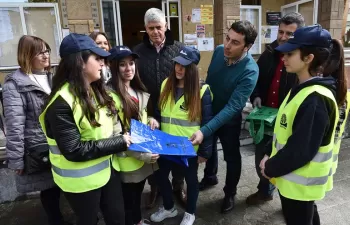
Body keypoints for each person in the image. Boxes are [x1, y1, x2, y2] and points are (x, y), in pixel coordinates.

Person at [39, 33, 131, 225]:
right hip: (80, 183)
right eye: (97, 59)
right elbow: (74, 150)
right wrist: (120, 142)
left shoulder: (95, 91)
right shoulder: (61, 103)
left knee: (118, 218)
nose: (102, 64)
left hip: (107, 172)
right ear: (80, 62)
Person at [260, 24, 347, 225]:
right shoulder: (301, 87)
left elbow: (301, 149)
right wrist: (268, 152)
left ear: (308, 58)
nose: (284, 58)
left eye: (290, 54)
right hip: (293, 180)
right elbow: (284, 131)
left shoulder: (315, 99)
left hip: (300, 185)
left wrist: (270, 167)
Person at [190, 20, 259, 213]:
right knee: (208, 150)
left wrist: (205, 129)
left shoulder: (250, 70)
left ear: (248, 46)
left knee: (231, 156)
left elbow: (233, 107)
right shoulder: (219, 50)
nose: (228, 45)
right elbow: (210, 81)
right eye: (228, 38)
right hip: (209, 111)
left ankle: (230, 193)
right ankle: (210, 177)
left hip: (229, 120)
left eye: (235, 42)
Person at [3, 35, 70, 225]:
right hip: (38, 147)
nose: (45, 55)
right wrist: (16, 160)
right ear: (26, 55)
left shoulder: (53, 77)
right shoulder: (14, 84)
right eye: (39, 52)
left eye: (47, 50)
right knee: (49, 188)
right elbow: (15, 125)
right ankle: (56, 221)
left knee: (64, 183)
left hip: (60, 142)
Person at [150, 46, 213, 225]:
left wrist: (204, 152)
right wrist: (154, 119)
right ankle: (169, 208)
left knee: (191, 181)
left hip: (188, 147)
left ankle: (190, 213)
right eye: (177, 63)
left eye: (184, 65)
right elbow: (158, 111)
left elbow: (208, 124)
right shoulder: (165, 84)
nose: (178, 68)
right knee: (161, 177)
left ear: (192, 68)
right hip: (165, 145)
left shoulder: (202, 90)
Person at [246, 12, 305, 205]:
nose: (283, 37)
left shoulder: (303, 60)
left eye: (289, 33)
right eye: (281, 32)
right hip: (265, 119)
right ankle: (265, 190)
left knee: (282, 161)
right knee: (260, 161)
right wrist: (255, 96)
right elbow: (255, 78)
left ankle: (288, 199)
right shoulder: (269, 52)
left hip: (286, 122)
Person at [133, 7, 186, 208]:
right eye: (151, 28)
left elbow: (187, 77)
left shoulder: (178, 49)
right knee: (153, 155)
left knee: (177, 152)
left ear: (166, 26)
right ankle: (155, 187)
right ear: (145, 29)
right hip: (148, 113)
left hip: (175, 113)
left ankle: (178, 186)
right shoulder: (137, 52)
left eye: (158, 27)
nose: (155, 32)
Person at [107, 45, 159, 225]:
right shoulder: (110, 96)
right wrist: (145, 155)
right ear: (113, 67)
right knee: (129, 203)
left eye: (131, 63)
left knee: (136, 198)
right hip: (128, 161)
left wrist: (151, 118)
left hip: (142, 156)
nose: (128, 68)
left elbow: (140, 117)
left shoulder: (136, 88)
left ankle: (137, 221)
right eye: (122, 64)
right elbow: (118, 135)